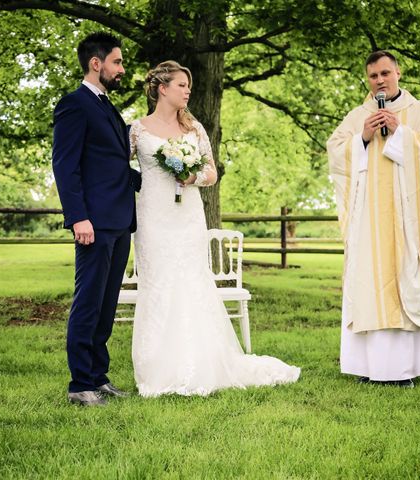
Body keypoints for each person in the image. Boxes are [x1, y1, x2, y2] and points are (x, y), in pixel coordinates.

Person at [129, 60, 300, 397]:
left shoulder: (194, 129)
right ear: (162, 88)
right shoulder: (137, 130)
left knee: (192, 283)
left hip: (188, 217)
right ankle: (156, 367)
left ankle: (199, 362)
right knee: (160, 285)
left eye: (188, 86)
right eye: (181, 85)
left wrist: (193, 176)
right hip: (153, 217)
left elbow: (212, 173)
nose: (187, 91)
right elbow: (121, 170)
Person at [326, 50, 420, 387]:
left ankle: (405, 369)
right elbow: (335, 152)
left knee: (406, 279)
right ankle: (370, 367)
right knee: (370, 283)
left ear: (398, 73)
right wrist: (362, 139)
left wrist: (401, 134)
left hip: (407, 220)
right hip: (369, 221)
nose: (379, 80)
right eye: (372, 76)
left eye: (384, 73)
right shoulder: (358, 116)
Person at [52, 32, 141, 406]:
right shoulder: (75, 105)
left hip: (119, 221)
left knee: (106, 304)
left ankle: (98, 378)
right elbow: (65, 165)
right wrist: (78, 218)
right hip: (94, 223)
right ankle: (80, 386)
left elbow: (114, 165)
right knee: (88, 302)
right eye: (117, 62)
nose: (121, 69)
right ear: (96, 63)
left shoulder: (107, 106)